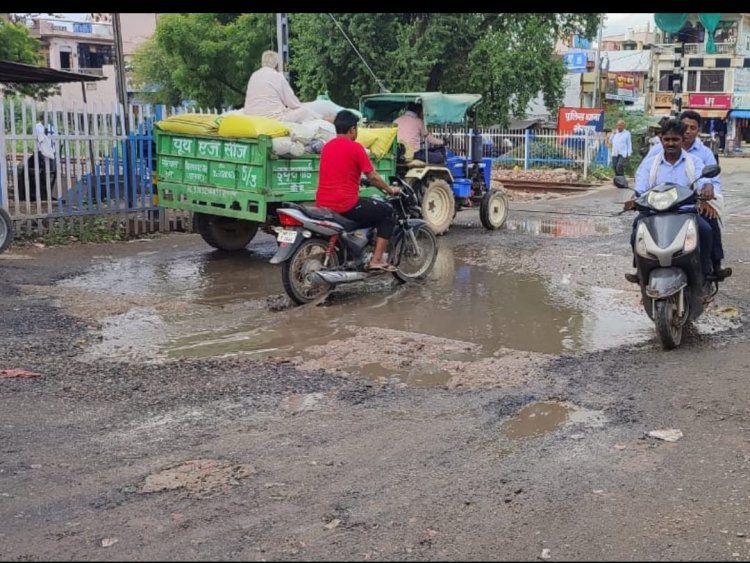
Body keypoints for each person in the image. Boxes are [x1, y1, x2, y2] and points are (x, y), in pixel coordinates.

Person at [623, 119, 720, 289]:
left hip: (686, 212)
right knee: (636, 232)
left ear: (683, 140)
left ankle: (707, 271)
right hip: (654, 212)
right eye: (667, 140)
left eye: (675, 140)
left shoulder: (694, 162)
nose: (670, 143)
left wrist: (707, 186)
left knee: (706, 230)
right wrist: (634, 198)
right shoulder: (650, 164)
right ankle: (640, 270)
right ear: (661, 140)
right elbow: (640, 186)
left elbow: (704, 178)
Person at [315, 110, 401, 272]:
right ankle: (376, 260)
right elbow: (373, 177)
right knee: (387, 212)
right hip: (345, 205)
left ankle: (356, 250)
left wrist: (357, 180)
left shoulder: (327, 147)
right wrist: (390, 189)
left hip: (323, 203)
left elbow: (339, 171)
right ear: (352, 130)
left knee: (368, 208)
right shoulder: (356, 148)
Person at [243, 50, 321, 124]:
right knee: (304, 111)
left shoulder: (254, 75)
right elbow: (292, 103)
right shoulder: (277, 76)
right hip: (272, 120)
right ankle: (323, 119)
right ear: (277, 65)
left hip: (251, 118)